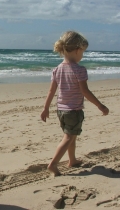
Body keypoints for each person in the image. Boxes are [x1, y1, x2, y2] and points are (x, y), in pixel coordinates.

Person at [40, 31, 109, 176]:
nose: (82, 55)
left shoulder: (57, 69)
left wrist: (46, 108)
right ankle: (53, 164)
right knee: (69, 137)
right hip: (74, 111)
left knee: (71, 135)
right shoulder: (80, 70)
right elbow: (85, 91)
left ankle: (72, 160)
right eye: (83, 51)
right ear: (78, 50)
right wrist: (100, 105)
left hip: (61, 110)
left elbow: (51, 91)